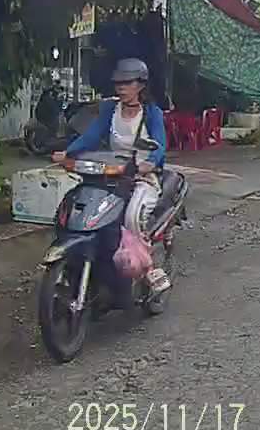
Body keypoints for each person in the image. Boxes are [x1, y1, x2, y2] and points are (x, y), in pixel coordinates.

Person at [52, 58, 171, 300]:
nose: (121, 87)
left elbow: (160, 145)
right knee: (77, 206)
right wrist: (68, 152)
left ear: (141, 85)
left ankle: (148, 268)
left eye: (127, 83)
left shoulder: (152, 113)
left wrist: (150, 163)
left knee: (131, 215)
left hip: (141, 176)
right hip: (112, 172)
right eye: (118, 83)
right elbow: (92, 135)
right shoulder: (110, 110)